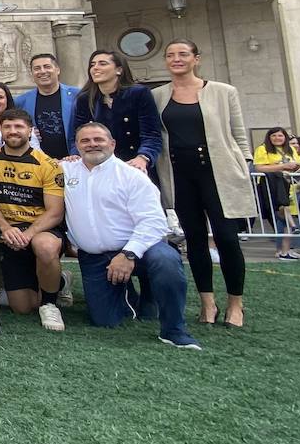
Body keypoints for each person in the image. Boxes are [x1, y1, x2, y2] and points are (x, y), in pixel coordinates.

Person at [63, 123, 201, 350]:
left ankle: (173, 328)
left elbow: (154, 221)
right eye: (85, 141)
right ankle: (128, 293)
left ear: (112, 143)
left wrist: (129, 253)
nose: (92, 144)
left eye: (98, 139)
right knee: (105, 321)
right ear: (76, 146)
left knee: (165, 260)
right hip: (95, 257)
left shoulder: (131, 176)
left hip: (139, 251)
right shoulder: (65, 171)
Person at [152, 39, 255, 327]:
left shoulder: (223, 92)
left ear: (196, 58)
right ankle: (207, 302)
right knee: (194, 239)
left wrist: (244, 165)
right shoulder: (159, 95)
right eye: (170, 55)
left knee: (226, 237)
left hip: (217, 171)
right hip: (180, 172)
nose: (176, 59)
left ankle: (236, 303)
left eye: (183, 54)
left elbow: (239, 134)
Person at [0, 109, 68, 330]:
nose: (13, 131)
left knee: (45, 246)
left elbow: (55, 212)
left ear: (30, 131)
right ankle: (59, 281)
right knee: (23, 307)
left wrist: (28, 234)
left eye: (19, 127)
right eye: (8, 127)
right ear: (0, 130)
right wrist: (4, 227)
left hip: (38, 231)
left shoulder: (48, 165)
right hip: (8, 232)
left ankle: (50, 305)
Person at [70, 50, 161, 180]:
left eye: (102, 63)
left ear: (119, 70)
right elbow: (76, 135)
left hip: (135, 165)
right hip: (99, 166)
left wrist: (143, 158)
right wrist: (76, 156)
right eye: (92, 64)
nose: (95, 68)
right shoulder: (85, 99)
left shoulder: (139, 94)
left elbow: (151, 134)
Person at [254, 127, 300, 260]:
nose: (277, 138)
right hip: (270, 185)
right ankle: (283, 248)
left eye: (280, 135)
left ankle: (286, 250)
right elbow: (259, 167)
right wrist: (282, 166)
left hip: (290, 186)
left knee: (288, 214)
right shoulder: (262, 149)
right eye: (274, 135)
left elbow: (296, 166)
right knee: (282, 213)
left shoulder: (290, 150)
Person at [14, 53, 82, 160]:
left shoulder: (78, 96)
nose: (42, 71)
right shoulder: (21, 101)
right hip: (39, 163)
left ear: (57, 70)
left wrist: (77, 153)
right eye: (37, 68)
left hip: (73, 160)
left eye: (47, 67)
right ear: (31, 73)